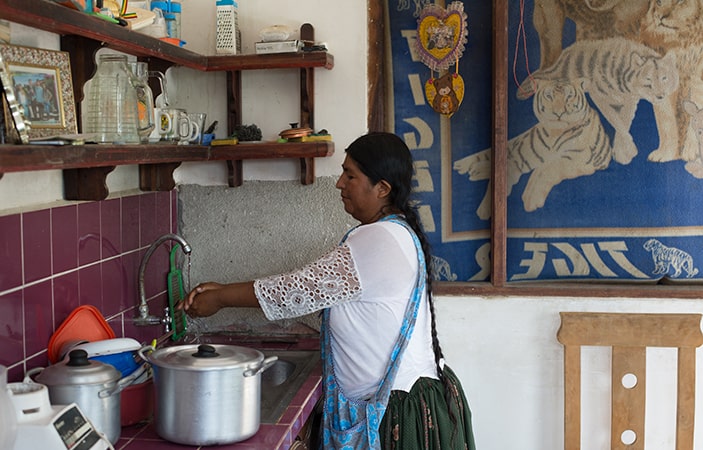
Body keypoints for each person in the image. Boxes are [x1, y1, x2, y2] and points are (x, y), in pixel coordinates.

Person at [181, 132, 475, 450]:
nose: (339, 183)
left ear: (382, 189)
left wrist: (221, 297)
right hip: (412, 403)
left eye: (351, 175)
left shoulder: (378, 239)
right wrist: (222, 290)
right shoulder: (394, 231)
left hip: (402, 416)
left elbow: (295, 290)